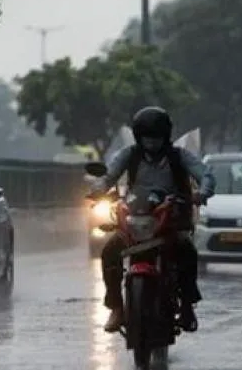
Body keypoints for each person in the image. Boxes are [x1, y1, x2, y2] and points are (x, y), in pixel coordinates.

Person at [90, 106, 215, 333]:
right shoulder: (129, 155)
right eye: (147, 138)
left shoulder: (179, 156)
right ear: (139, 137)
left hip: (171, 220)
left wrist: (202, 193)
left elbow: (204, 173)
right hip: (136, 218)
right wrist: (97, 189)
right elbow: (109, 175)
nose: (152, 143)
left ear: (165, 136)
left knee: (187, 251)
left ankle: (187, 306)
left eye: (156, 138)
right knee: (109, 251)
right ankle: (116, 308)